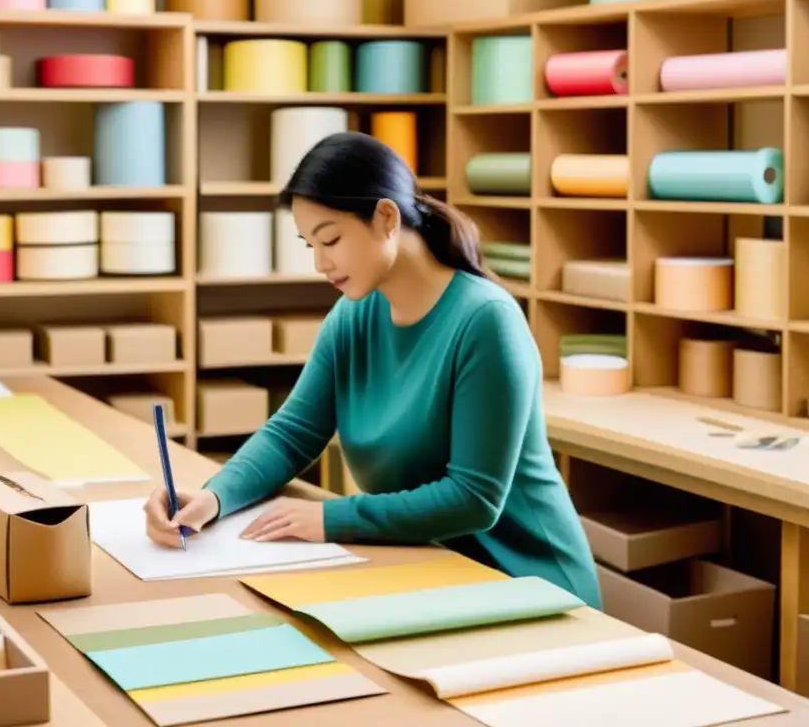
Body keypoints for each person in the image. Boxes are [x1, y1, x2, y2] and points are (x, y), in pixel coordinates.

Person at [144, 131, 602, 608]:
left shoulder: (486, 321)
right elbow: (293, 432)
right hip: (431, 570)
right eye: (309, 246)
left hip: (530, 587)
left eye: (332, 239)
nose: (321, 263)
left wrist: (328, 518)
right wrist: (213, 499)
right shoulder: (354, 314)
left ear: (386, 217)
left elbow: (473, 499)